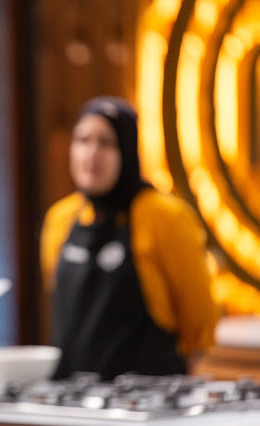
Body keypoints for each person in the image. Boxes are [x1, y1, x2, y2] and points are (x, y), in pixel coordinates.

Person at [40, 96, 218, 381]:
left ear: (127, 149)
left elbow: (199, 327)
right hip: (70, 397)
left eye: (106, 142)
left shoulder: (165, 217)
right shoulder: (60, 219)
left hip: (147, 399)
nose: (92, 153)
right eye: (83, 140)